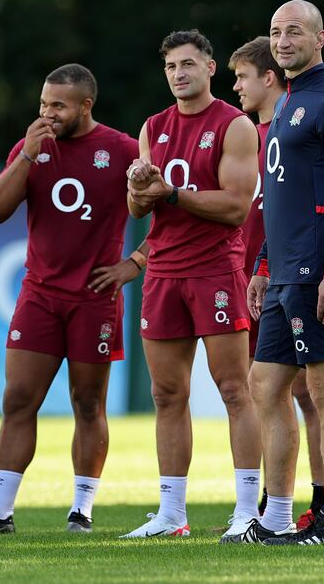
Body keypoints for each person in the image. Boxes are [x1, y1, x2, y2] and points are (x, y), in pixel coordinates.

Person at [0, 64, 141, 535]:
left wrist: (134, 264)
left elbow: (175, 219)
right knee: (18, 399)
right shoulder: (31, 147)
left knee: (88, 403)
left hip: (94, 298)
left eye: (58, 105)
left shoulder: (123, 150)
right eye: (43, 104)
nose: (47, 113)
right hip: (39, 294)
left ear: (85, 106)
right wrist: (27, 156)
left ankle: (81, 511)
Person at [121, 29, 262, 542]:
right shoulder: (153, 126)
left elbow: (236, 206)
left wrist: (171, 193)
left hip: (215, 269)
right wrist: (140, 187)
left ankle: (247, 510)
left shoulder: (234, 125)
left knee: (234, 389)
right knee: (165, 394)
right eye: (170, 67)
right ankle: (171, 514)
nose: (178, 74)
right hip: (163, 272)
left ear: (209, 67)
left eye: (187, 64)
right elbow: (138, 207)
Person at [245, 0, 324, 546]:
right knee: (265, 385)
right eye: (275, 31)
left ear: (321, 38)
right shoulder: (288, 101)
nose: (283, 40)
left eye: (294, 31)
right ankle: (275, 516)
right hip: (282, 274)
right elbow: (280, 196)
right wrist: (263, 264)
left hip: (316, 271)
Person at [228, 37, 324, 533]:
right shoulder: (245, 137)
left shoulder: (293, 131)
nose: (236, 87)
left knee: (309, 392)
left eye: (242, 77)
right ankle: (271, 504)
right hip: (254, 277)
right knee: (265, 390)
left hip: (294, 276)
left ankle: (322, 503)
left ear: (269, 78)